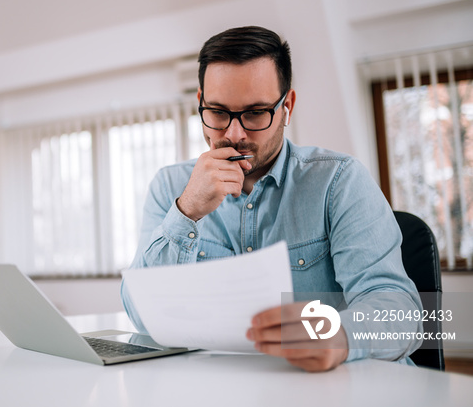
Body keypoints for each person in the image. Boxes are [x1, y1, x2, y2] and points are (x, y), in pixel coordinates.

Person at [120, 26, 422, 372]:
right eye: (217, 112)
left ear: (286, 107)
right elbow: (141, 316)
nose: (234, 134)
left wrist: (341, 336)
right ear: (200, 102)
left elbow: (402, 312)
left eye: (255, 113)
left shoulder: (339, 181)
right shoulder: (170, 186)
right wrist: (186, 211)